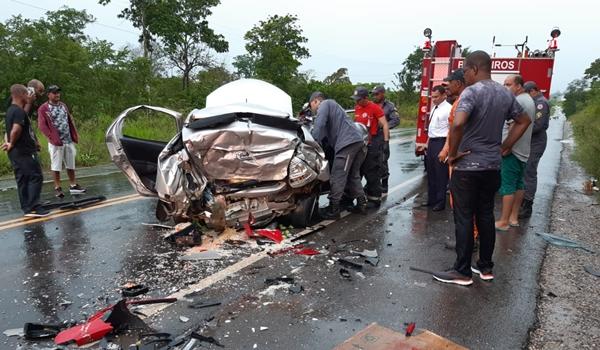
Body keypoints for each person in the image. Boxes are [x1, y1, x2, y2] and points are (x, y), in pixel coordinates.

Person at [433, 51, 531, 286]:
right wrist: (505, 146)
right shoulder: (504, 94)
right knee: (485, 215)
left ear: (475, 68)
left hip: (467, 168)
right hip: (492, 167)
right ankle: (485, 267)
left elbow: (458, 123)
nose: (464, 74)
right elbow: (524, 120)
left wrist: (454, 153)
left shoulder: (471, 92)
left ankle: (462, 271)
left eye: (465, 70)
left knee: (464, 217)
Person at [309, 92, 367, 219]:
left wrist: (311, 144)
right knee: (353, 175)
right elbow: (324, 133)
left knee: (337, 175)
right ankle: (362, 204)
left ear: (315, 101)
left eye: (311, 106)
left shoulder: (325, 104)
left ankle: (334, 209)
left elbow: (319, 126)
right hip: (357, 142)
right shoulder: (334, 108)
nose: (313, 110)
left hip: (347, 144)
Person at [495, 75, 535, 231]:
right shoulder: (529, 100)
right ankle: (513, 218)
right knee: (519, 184)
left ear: (518, 86)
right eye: (504, 84)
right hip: (523, 150)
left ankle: (504, 221)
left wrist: (506, 147)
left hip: (513, 150)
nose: (505, 87)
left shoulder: (518, 101)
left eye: (508, 84)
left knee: (507, 186)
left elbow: (514, 126)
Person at [2, 84, 48, 217]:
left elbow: (9, 130)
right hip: (24, 151)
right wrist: (11, 142)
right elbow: (16, 129)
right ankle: (35, 206)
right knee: (35, 176)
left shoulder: (10, 110)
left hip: (15, 153)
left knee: (22, 179)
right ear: (22, 94)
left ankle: (27, 208)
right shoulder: (19, 111)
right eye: (26, 93)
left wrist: (9, 143)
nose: (29, 95)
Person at [37, 85, 86, 198]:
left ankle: (73, 186)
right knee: (56, 165)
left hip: (68, 140)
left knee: (71, 164)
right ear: (48, 95)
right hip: (56, 142)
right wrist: (52, 138)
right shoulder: (44, 108)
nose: (57, 94)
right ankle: (57, 188)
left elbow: (69, 119)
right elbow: (42, 125)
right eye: (54, 93)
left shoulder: (63, 105)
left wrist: (74, 133)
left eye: (58, 92)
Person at [352, 86, 390, 207]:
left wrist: (386, 142)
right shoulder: (357, 108)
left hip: (372, 143)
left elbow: (384, 124)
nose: (357, 101)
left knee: (372, 171)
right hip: (360, 144)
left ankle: (375, 198)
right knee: (359, 170)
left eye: (359, 99)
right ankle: (360, 196)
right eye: (356, 99)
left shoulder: (375, 108)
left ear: (366, 98)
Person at [519, 81, 550, 218]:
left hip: (536, 143)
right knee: (524, 171)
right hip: (530, 142)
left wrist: (519, 130)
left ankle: (527, 205)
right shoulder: (535, 102)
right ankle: (522, 201)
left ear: (533, 91)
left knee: (529, 173)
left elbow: (539, 125)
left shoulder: (540, 103)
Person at [425, 85, 451, 211]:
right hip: (432, 143)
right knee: (431, 172)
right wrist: (427, 143)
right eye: (432, 96)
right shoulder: (435, 108)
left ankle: (440, 202)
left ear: (443, 95)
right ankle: (431, 199)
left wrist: (445, 149)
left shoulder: (448, 109)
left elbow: (451, 131)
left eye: (436, 97)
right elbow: (432, 128)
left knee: (440, 174)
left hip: (441, 142)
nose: (433, 99)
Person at [371, 86, 400, 195]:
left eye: (377, 94)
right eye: (373, 94)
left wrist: (384, 126)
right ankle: (374, 183)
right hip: (371, 137)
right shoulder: (371, 105)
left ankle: (384, 183)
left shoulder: (389, 106)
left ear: (383, 94)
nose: (375, 96)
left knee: (382, 160)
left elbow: (396, 120)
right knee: (371, 161)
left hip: (383, 136)